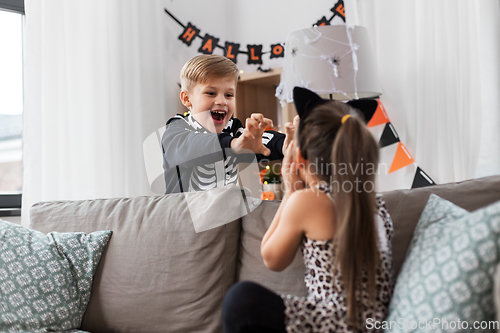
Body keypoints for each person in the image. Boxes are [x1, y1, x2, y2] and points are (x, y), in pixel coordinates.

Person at [222, 87, 394, 332]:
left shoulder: (308, 200)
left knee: (241, 300)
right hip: (373, 324)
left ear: (299, 158)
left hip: (334, 325)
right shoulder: (372, 202)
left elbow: (271, 258)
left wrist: (290, 191)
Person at [161, 54, 287, 194]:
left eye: (229, 95)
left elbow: (255, 140)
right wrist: (233, 145)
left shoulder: (232, 128)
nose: (222, 101)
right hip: (181, 213)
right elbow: (192, 146)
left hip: (224, 211)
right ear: (186, 99)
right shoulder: (176, 130)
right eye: (210, 93)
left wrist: (286, 144)